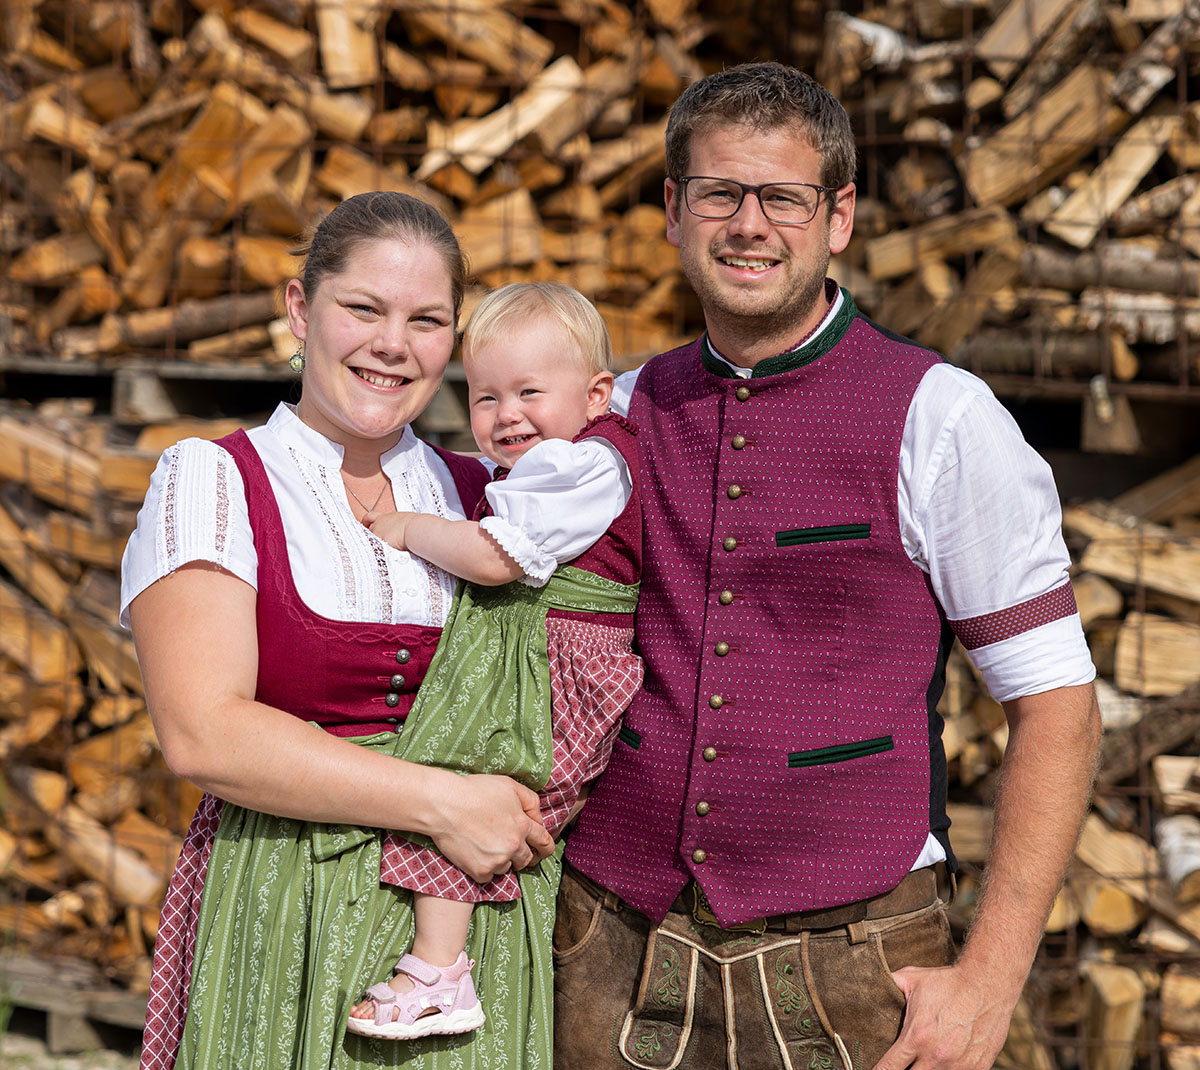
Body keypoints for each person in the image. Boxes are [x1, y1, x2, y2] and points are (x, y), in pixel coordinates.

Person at [553, 62, 1102, 1070]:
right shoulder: (617, 414)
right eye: (718, 193)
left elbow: (1057, 704)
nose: (748, 224)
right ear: (674, 211)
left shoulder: (943, 419)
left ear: (838, 216)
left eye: (784, 198)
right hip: (604, 952)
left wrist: (989, 979)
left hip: (852, 969)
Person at [121, 191, 557, 1070]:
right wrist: (447, 803)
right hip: (288, 894)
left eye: (427, 320)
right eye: (363, 308)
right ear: (299, 310)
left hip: (474, 931)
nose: (392, 344)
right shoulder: (216, 479)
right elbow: (202, 732)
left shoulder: (497, 501)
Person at [341, 280, 642, 1042]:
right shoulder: (549, 464)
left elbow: (494, 556)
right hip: (534, 661)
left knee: (477, 782)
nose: (507, 415)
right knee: (464, 785)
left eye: (530, 392)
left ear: (597, 394)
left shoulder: (581, 468)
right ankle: (446, 964)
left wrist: (405, 527)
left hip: (559, 667)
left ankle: (440, 971)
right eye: (485, 397)